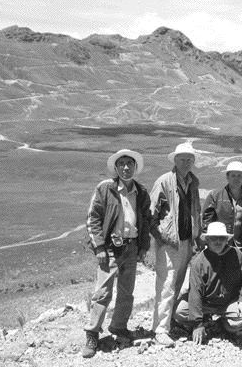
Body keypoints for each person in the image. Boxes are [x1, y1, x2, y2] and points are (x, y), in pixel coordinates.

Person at [82, 149, 151, 358]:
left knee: (126, 291)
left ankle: (119, 327)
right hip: (110, 248)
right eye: (122, 164)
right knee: (103, 292)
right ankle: (92, 333)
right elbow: (93, 219)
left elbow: (145, 221)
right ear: (116, 167)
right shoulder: (105, 189)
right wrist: (100, 247)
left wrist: (143, 247)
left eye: (130, 164)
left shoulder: (141, 191)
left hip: (131, 247)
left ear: (135, 167)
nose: (126, 168)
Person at [149, 142, 202, 347]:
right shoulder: (164, 181)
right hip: (169, 242)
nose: (186, 162)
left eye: (190, 159)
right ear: (175, 160)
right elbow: (151, 212)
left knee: (177, 283)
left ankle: (168, 321)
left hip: (186, 240)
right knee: (166, 285)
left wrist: (196, 236)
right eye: (182, 159)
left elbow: (194, 211)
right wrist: (161, 236)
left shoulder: (192, 182)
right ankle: (160, 329)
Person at [174, 222, 242, 344]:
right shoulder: (198, 262)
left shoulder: (237, 255)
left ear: (227, 239)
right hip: (206, 303)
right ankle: (204, 319)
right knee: (179, 311)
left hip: (229, 302)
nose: (217, 241)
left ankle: (223, 324)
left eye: (221, 238)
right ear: (207, 240)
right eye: (213, 238)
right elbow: (195, 292)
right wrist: (197, 323)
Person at [202, 161, 242, 256]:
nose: (236, 179)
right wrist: (210, 239)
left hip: (241, 244)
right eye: (233, 175)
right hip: (218, 243)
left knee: (237, 268)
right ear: (227, 177)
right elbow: (207, 219)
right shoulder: (215, 196)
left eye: (239, 175)